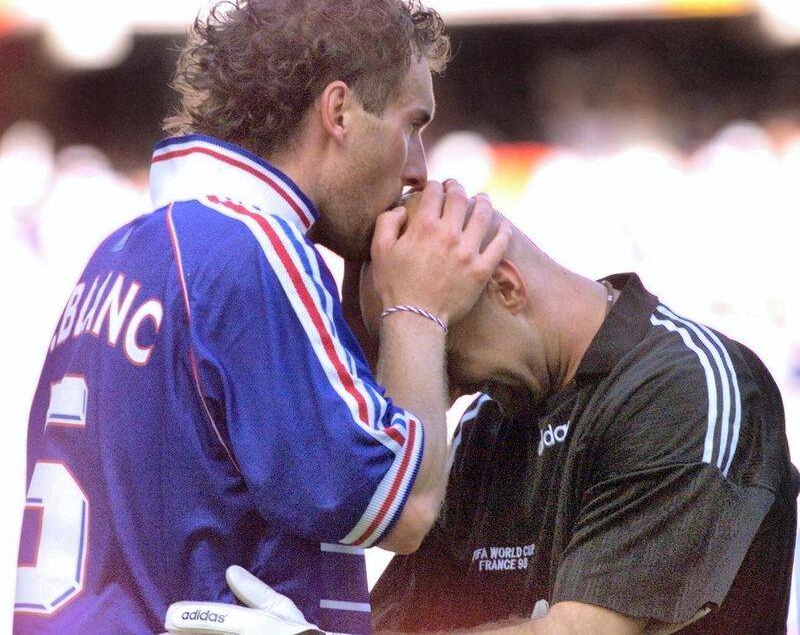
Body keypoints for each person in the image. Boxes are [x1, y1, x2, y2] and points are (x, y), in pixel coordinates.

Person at [13, 0, 510, 634]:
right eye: (412, 124)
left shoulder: (123, 251)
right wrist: (418, 306)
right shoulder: (253, 249)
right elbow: (406, 507)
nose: (420, 165)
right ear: (338, 111)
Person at [168, 195, 799, 634]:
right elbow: (404, 622)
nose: (434, 385)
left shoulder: (687, 384)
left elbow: (588, 631)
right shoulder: (488, 426)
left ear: (505, 286)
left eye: (438, 340)